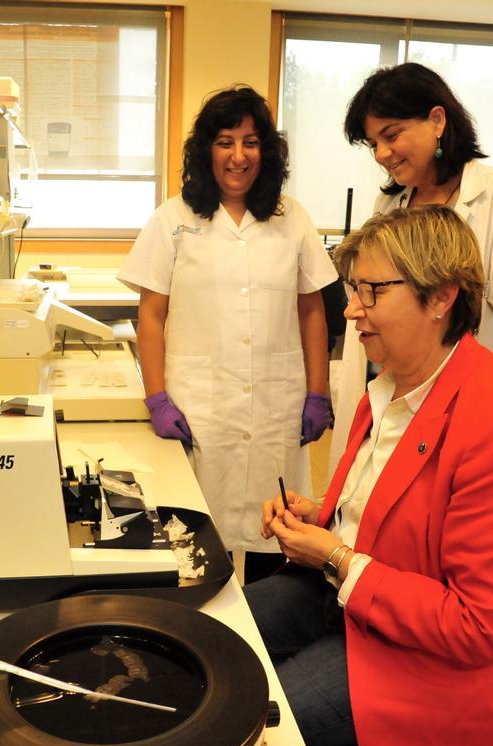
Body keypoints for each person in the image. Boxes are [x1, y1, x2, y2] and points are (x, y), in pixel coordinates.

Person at [246, 205, 493, 746]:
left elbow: (478, 627)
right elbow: (390, 509)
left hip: (431, 660)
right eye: (352, 289)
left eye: (371, 292)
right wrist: (320, 519)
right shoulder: (387, 387)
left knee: (242, 724)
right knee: (217, 642)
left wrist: (336, 555)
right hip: (359, 597)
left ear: (440, 297)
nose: (351, 309)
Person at [118, 86, 336, 577]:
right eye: (225, 142)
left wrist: (318, 392)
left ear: (268, 152)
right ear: (205, 150)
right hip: (200, 403)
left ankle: (264, 630)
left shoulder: (292, 217)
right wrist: (157, 398)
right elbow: (150, 315)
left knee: (274, 529)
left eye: (251, 142)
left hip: (275, 401)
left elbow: (311, 310)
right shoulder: (173, 218)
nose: (239, 156)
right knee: (192, 536)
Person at [330, 63, 493, 470]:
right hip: (397, 390)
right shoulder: (390, 205)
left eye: (391, 135)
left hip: (472, 405)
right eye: (373, 143)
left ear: (437, 120)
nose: (382, 154)